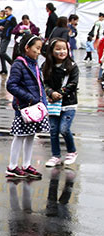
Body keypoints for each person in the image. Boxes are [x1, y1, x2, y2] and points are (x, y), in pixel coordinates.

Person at [5, 35, 47, 180]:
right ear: (27, 48)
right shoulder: (19, 64)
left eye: (40, 49)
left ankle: (26, 164)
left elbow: (39, 85)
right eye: (37, 48)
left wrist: (43, 101)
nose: (39, 52)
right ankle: (12, 166)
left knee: (30, 135)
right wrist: (29, 98)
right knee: (20, 136)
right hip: (25, 106)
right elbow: (11, 85)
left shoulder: (34, 63)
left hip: (35, 106)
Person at [41, 38, 78, 167]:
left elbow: (73, 84)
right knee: (53, 130)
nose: (62, 51)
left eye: (64, 49)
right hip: (52, 104)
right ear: (51, 51)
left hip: (68, 103)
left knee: (64, 128)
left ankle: (72, 151)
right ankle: (55, 155)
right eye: (58, 49)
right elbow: (43, 83)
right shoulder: (46, 66)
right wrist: (50, 93)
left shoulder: (72, 66)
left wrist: (60, 93)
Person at [0, 6, 17, 75]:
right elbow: (0, 23)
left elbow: (16, 27)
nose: (6, 12)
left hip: (7, 37)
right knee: (1, 54)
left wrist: (12, 31)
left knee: (2, 52)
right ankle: (4, 69)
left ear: (11, 11)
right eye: (5, 11)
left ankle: (12, 63)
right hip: (2, 36)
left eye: (7, 11)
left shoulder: (12, 18)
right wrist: (1, 27)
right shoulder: (6, 18)